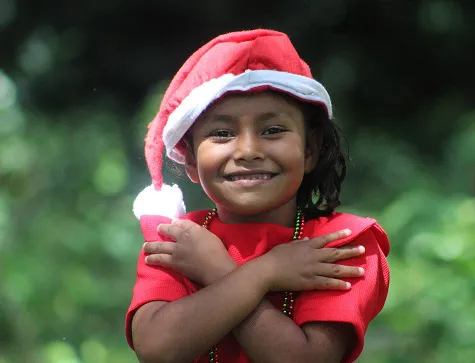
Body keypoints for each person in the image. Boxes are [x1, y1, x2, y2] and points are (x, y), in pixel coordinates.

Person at [126, 29, 390, 363]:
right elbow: (156, 349)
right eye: (222, 133)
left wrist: (219, 271)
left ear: (310, 150)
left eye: (273, 130)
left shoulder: (344, 244)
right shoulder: (177, 239)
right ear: (191, 160)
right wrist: (264, 273)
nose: (248, 150)